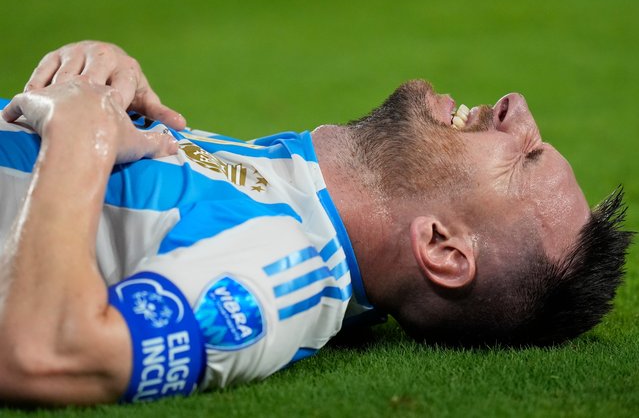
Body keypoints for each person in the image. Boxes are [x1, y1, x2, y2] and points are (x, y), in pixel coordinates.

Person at [0, 41, 631, 406]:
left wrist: (80, 131)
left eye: (523, 154)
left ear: (442, 248)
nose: (515, 108)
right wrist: (108, 79)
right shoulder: (293, 185)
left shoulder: (284, 270)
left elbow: (44, 355)